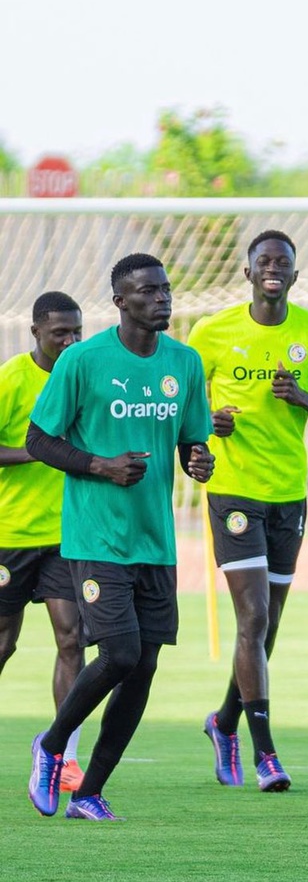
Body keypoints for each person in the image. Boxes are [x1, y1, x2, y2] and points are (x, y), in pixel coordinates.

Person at [25, 252, 214, 821]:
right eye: (148, 291)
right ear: (120, 301)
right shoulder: (83, 360)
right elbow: (39, 440)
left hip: (155, 540)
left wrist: (198, 460)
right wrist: (100, 465)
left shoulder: (185, 362)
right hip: (96, 539)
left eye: (166, 290)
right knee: (120, 653)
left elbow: (189, 443)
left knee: (145, 666)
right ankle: (52, 746)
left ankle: (89, 793)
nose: (162, 299)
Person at [189, 229, 308, 792]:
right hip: (234, 489)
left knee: (268, 626)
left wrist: (303, 397)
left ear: (293, 274)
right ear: (246, 273)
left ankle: (222, 721)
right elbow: (185, 410)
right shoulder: (211, 334)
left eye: (281, 262)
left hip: (289, 494)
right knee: (255, 618)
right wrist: (206, 425)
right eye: (262, 261)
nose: (271, 269)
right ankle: (265, 753)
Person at [0, 292, 85, 792]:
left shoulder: (84, 375)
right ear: (36, 332)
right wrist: (38, 453)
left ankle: (64, 753)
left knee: (71, 638)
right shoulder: (11, 379)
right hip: (10, 535)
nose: (71, 341)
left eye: (77, 332)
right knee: (4, 642)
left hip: (66, 535)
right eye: (61, 334)